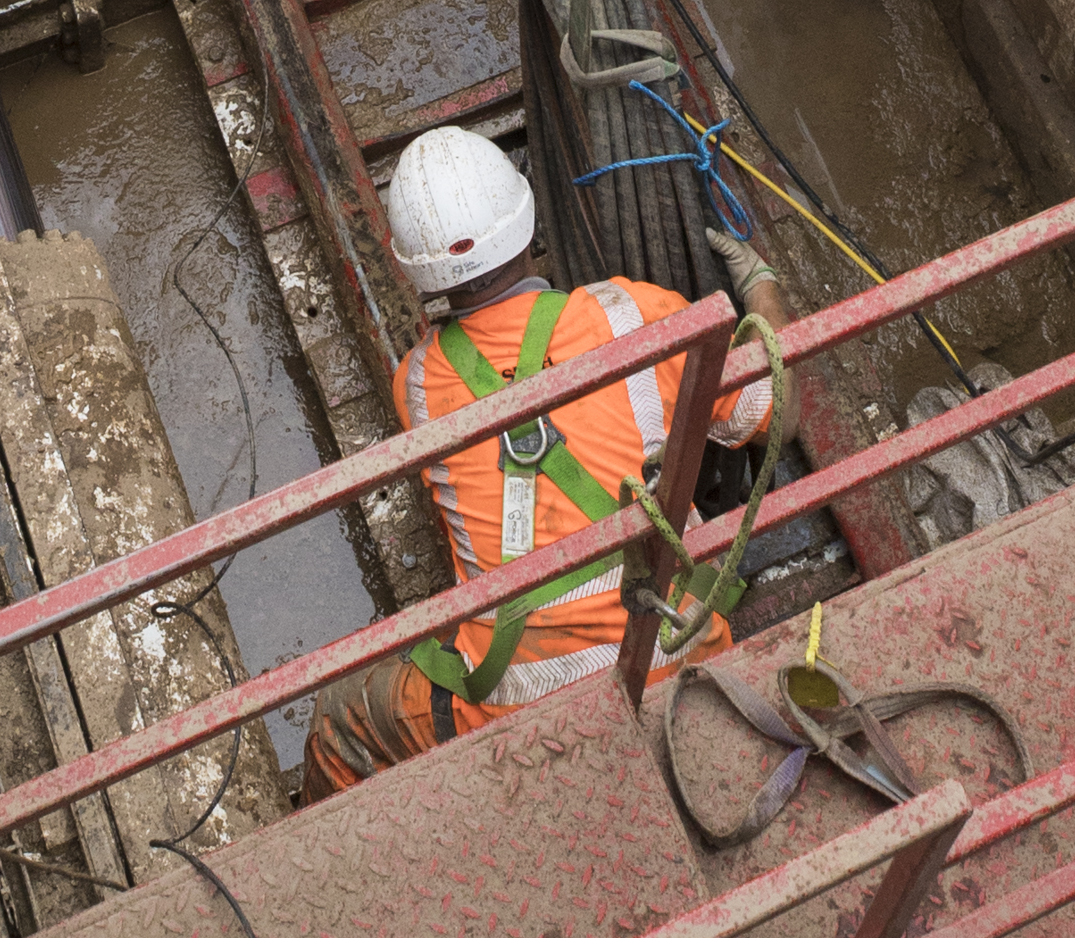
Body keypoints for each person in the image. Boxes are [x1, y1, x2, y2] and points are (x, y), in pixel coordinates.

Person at [297, 125, 776, 794]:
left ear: (417, 269)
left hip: (519, 702)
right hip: (678, 650)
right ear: (526, 223)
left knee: (341, 717)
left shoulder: (416, 384)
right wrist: (762, 289)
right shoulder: (635, 314)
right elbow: (772, 415)